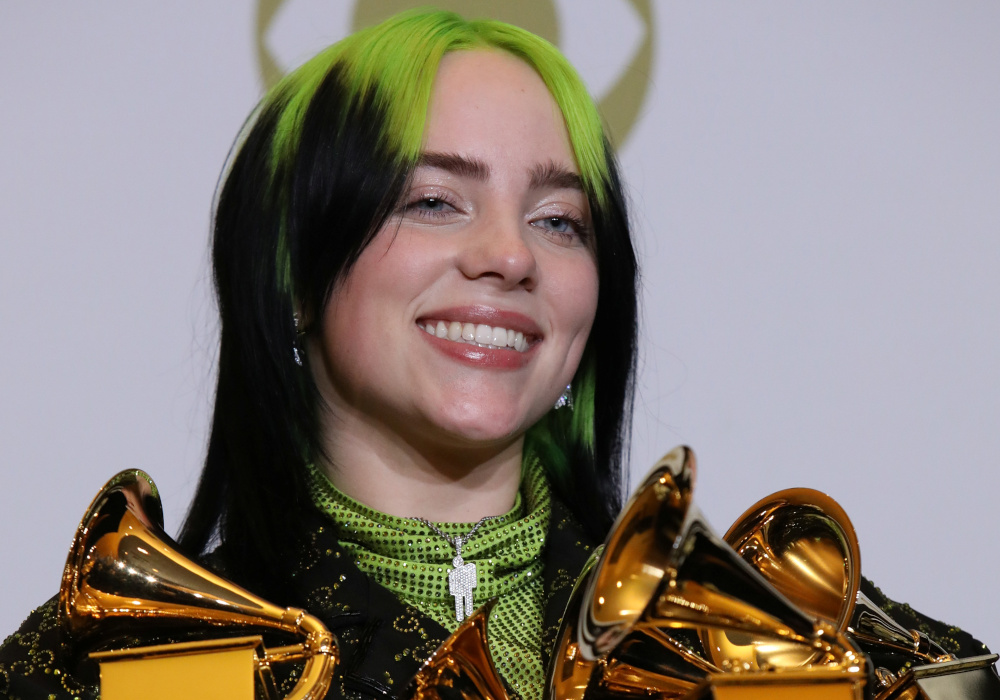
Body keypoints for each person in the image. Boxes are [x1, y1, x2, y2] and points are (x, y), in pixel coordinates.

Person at [0, 9, 987, 700]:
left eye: (559, 220)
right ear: (293, 273)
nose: (511, 256)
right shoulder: (118, 669)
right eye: (434, 200)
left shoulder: (793, 649)